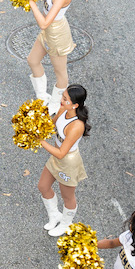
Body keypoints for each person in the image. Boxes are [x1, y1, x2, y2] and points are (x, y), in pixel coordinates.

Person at [37, 84, 89, 237]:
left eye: (65, 99)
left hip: (68, 163)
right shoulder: (63, 110)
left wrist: (40, 141)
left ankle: (66, 223)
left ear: (75, 105)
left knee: (68, 197)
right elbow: (51, 126)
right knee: (43, 186)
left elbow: (61, 153)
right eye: (63, 96)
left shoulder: (76, 126)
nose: (61, 100)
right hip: (56, 158)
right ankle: (55, 215)